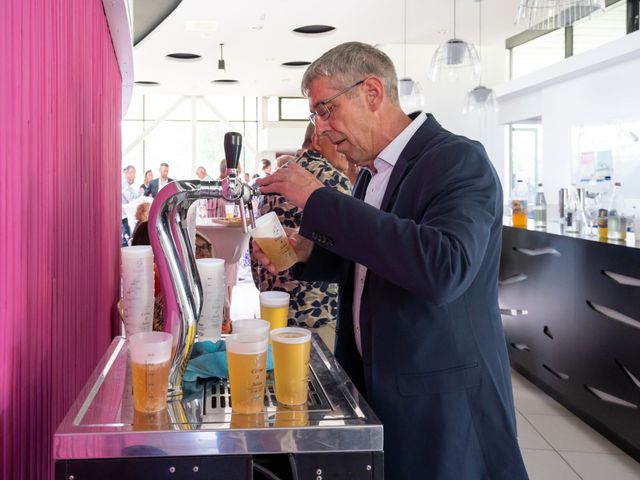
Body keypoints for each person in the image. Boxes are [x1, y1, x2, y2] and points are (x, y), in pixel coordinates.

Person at [255, 42, 528, 480]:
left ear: (372, 92)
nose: (322, 130)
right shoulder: (370, 174)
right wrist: (312, 251)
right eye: (316, 116)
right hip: (377, 383)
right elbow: (375, 263)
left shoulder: (458, 160)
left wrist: (319, 199)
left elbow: (443, 268)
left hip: (443, 401)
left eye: (326, 109)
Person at [250, 126, 351, 341]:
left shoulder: (276, 178)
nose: (345, 148)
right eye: (338, 139)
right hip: (317, 312)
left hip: (274, 307)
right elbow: (349, 248)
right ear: (316, 139)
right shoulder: (335, 180)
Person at [121, 165, 140, 246]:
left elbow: (134, 194)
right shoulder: (124, 182)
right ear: (128, 173)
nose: (134, 176)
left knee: (126, 232)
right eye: (133, 173)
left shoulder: (125, 183)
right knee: (126, 234)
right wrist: (139, 193)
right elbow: (129, 197)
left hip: (123, 212)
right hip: (123, 212)